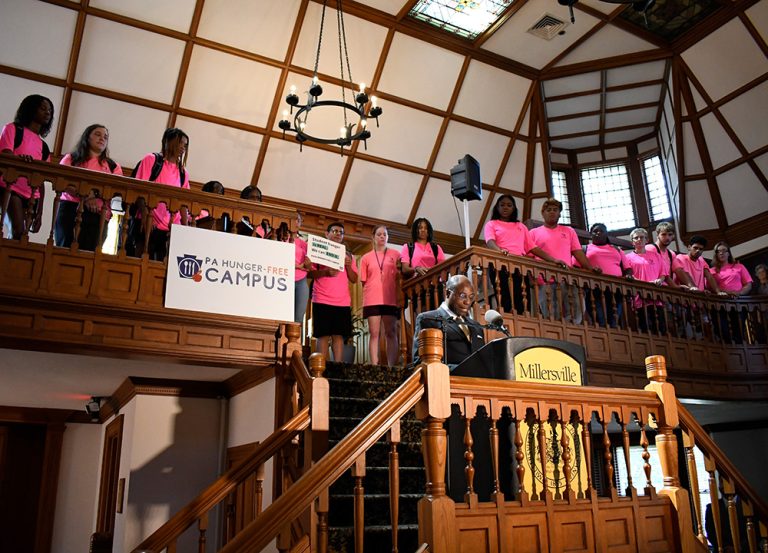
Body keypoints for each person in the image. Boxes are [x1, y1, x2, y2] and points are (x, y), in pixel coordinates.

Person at [483, 194, 561, 314]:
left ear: (514, 208)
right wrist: (500, 251)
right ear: (497, 208)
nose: (505, 207)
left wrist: (553, 260)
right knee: (505, 298)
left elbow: (533, 248)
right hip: (500, 264)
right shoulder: (492, 224)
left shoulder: (521, 226)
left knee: (522, 301)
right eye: (502, 205)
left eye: (509, 205)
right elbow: (490, 241)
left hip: (520, 266)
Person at [529, 198, 600, 324]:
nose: (552, 212)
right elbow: (529, 256)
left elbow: (577, 252)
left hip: (568, 278)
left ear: (560, 213)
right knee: (550, 314)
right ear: (543, 213)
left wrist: (590, 268)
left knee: (576, 312)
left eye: (555, 210)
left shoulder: (569, 231)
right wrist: (531, 277)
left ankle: (570, 334)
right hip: (545, 280)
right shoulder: (533, 233)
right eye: (548, 210)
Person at [56, 124, 122, 250]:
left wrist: (94, 195)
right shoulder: (71, 158)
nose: (102, 138)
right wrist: (86, 197)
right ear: (87, 137)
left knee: (90, 257)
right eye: (97, 134)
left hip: (99, 214)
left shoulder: (113, 166)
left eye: (105, 137)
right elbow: (62, 181)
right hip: (71, 210)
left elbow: (115, 190)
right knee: (64, 251)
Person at [0, 94, 54, 239]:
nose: (47, 112)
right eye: (43, 108)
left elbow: (42, 180)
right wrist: (19, 159)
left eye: (50, 110)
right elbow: (5, 154)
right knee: (18, 230)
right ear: (31, 109)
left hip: (31, 195)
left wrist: (40, 213)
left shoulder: (44, 146)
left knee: (22, 236)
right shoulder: (13, 129)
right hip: (11, 188)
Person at [132, 128, 190, 260]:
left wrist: (184, 229)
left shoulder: (183, 173)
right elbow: (140, 189)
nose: (183, 147)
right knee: (142, 262)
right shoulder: (152, 160)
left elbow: (183, 203)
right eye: (180, 142)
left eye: (185, 145)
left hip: (171, 228)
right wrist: (146, 216)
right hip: (149, 222)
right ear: (167, 141)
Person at [309, 222, 358, 362]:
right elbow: (310, 274)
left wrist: (348, 266)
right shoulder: (318, 251)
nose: (338, 234)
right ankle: (322, 370)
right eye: (334, 231)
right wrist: (325, 272)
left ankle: (337, 369)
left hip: (342, 302)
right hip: (321, 299)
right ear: (327, 234)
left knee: (339, 336)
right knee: (322, 335)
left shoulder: (349, 255)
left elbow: (354, 279)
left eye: (341, 232)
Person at [412, 274, 485, 367]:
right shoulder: (428, 319)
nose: (467, 302)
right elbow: (420, 362)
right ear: (447, 293)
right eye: (463, 296)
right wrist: (461, 370)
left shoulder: (476, 326)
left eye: (471, 297)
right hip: (447, 380)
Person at [360, 225, 401, 366]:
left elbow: (400, 277)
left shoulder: (396, 255)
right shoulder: (366, 258)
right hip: (372, 299)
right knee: (374, 333)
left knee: (391, 332)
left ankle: (392, 366)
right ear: (373, 237)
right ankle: (374, 365)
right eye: (379, 234)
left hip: (390, 298)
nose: (382, 237)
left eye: (385, 234)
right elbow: (363, 282)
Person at [582, 223, 633, 327]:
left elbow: (627, 268)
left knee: (613, 320)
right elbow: (576, 266)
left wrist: (628, 275)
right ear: (591, 234)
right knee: (600, 319)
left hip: (616, 289)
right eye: (595, 231)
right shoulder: (585, 249)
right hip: (594, 288)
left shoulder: (617, 249)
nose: (598, 233)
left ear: (606, 234)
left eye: (601, 231)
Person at [626, 227, 667, 334]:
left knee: (660, 326)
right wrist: (644, 284)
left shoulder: (656, 255)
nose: (639, 239)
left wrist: (660, 280)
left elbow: (663, 273)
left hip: (656, 295)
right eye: (636, 238)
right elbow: (629, 275)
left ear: (647, 240)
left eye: (642, 237)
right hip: (640, 296)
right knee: (645, 326)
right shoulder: (628, 257)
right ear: (632, 242)